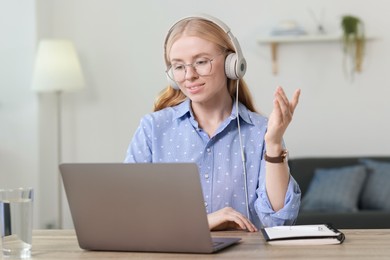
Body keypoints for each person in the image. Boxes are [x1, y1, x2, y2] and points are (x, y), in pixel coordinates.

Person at [124, 14, 301, 232]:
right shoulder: (153, 129)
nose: (189, 75)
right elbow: (131, 213)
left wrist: (273, 144)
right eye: (178, 66)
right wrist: (204, 223)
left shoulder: (261, 131)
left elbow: (278, 222)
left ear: (231, 64)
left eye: (200, 62)